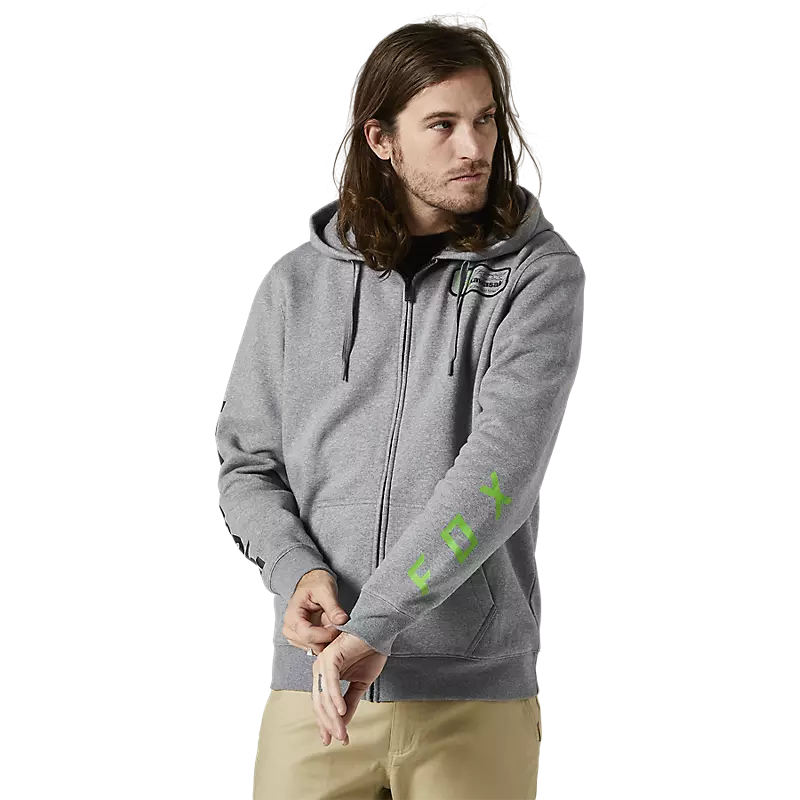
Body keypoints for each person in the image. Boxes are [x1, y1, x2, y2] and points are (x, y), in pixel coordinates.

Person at [215, 11, 584, 799]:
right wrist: (296, 569)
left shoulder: (538, 276)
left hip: (471, 700)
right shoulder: (296, 285)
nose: (474, 148)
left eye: (485, 120)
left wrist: (379, 621)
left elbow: (501, 471)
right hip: (313, 693)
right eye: (443, 125)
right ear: (381, 139)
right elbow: (247, 465)